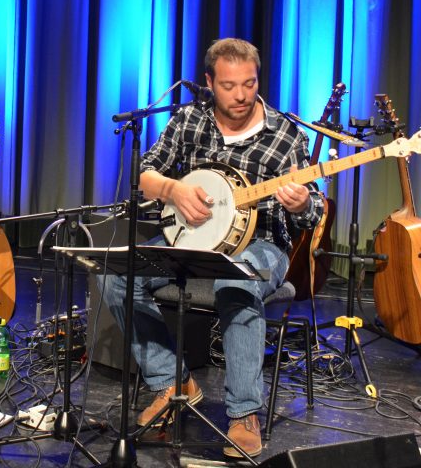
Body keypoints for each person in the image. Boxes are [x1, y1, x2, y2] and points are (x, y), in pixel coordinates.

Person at [99, 38, 323, 457]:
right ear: (208, 83)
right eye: (228, 85)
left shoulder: (283, 133)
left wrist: (304, 202)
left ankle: (243, 414)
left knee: (234, 284)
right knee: (116, 276)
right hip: (192, 240)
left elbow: (313, 212)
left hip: (262, 244)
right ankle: (172, 381)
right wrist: (173, 190)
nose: (241, 95)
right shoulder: (189, 120)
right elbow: (145, 173)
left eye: (250, 83)